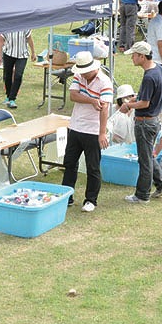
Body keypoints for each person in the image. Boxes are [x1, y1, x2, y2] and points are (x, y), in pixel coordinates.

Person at [60, 50, 113, 212]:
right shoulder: (79, 76)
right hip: (76, 126)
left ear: (92, 69)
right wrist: (91, 100)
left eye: (84, 72)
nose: (81, 74)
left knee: (93, 166)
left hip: (92, 130)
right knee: (69, 163)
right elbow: (73, 96)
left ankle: (91, 200)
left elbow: (105, 109)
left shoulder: (105, 82)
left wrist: (102, 132)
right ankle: (66, 195)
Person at [120, 41, 162, 203]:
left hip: (145, 122)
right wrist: (135, 98)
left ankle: (142, 195)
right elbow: (145, 96)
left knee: (144, 159)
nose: (132, 58)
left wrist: (128, 105)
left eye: (134, 55)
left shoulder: (149, 76)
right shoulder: (158, 69)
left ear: (142, 56)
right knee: (147, 155)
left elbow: (144, 103)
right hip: (153, 121)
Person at [0, 29, 35, 109]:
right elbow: (1, 40)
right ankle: (8, 95)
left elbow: (30, 40)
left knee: (18, 75)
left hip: (22, 55)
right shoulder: (6, 27)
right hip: (8, 53)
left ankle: (12, 99)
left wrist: (33, 53)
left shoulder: (25, 27)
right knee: (7, 75)